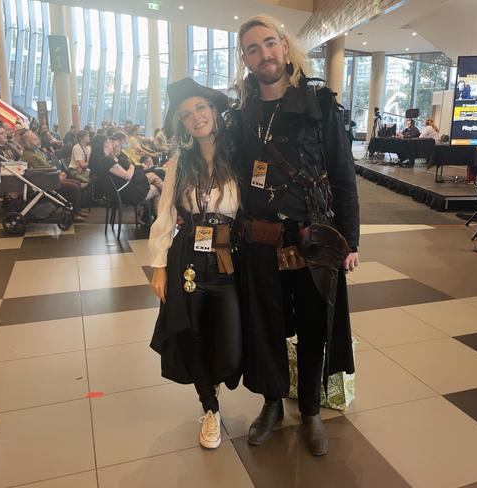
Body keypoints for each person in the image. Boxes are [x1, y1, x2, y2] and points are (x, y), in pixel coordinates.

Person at [229, 15, 359, 456]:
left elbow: (343, 177)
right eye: (252, 48)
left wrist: (351, 241)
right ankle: (270, 403)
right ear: (245, 60)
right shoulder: (241, 115)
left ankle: (309, 410)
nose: (264, 54)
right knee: (264, 325)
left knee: (312, 328)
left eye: (269, 43)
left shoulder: (320, 104)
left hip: (313, 240)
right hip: (260, 241)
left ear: (284, 47)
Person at [149, 78, 241, 450]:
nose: (196, 117)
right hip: (187, 257)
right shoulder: (178, 162)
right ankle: (209, 406)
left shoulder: (238, 155)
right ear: (182, 123)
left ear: (214, 110)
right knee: (190, 333)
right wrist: (158, 265)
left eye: (201, 108)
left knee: (231, 344)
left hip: (229, 257)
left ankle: (214, 380)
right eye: (187, 114)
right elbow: (165, 213)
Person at [19, 129, 87, 222]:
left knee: (77, 183)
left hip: (51, 176)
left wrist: (58, 173)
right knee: (74, 186)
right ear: (28, 143)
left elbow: (48, 164)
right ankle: (74, 214)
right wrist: (57, 175)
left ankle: (76, 211)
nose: (38, 140)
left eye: (37, 138)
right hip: (45, 181)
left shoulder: (35, 152)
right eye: (35, 139)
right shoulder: (29, 155)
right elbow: (39, 172)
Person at [89, 134, 150, 206]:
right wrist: (132, 166)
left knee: (154, 184)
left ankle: (154, 215)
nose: (111, 144)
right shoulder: (106, 161)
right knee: (155, 188)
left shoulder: (99, 159)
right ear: (105, 144)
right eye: (109, 142)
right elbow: (127, 176)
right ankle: (154, 215)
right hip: (123, 193)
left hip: (114, 193)